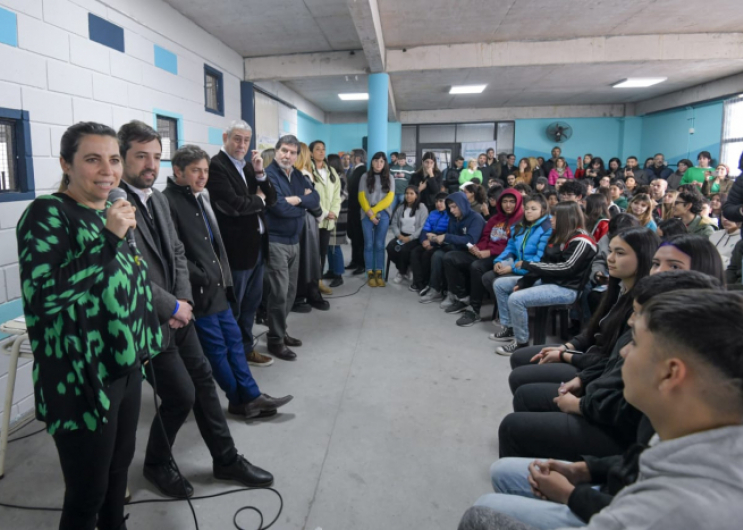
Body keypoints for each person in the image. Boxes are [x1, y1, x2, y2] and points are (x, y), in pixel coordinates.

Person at [465, 272, 729, 530]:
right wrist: (586, 469)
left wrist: (571, 495)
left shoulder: (682, 504)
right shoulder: (683, 427)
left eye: (635, 343)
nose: (625, 351)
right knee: (502, 470)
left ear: (671, 373)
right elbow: (639, 460)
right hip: (611, 487)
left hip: (608, 500)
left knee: (482, 512)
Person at [116, 121, 274, 499]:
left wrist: (183, 301)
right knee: (180, 396)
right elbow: (125, 268)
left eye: (155, 155)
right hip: (148, 321)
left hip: (180, 313)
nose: (150, 163)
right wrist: (171, 305)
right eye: (141, 156)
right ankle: (156, 462)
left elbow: (177, 253)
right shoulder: (114, 204)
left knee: (204, 385)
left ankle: (226, 458)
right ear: (122, 159)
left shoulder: (155, 199)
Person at [16, 122, 161, 529]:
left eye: (113, 159)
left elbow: (129, 287)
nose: (107, 171)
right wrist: (110, 240)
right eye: (92, 159)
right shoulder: (47, 213)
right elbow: (45, 299)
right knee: (87, 493)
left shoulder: (109, 212)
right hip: (81, 377)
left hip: (126, 366)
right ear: (66, 163)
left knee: (118, 476)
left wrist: (148, 341)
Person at [498, 227, 660, 461]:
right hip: (594, 372)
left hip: (599, 385)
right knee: (523, 360)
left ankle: (537, 454)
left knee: (522, 397)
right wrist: (566, 348)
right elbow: (591, 334)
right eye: (611, 251)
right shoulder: (619, 289)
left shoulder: (644, 309)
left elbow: (610, 367)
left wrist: (571, 364)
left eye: (620, 253)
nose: (610, 258)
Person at [163, 145, 293, 417]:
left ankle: (251, 395)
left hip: (218, 284)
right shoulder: (167, 202)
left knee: (234, 339)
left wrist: (219, 275)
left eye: (206, 170)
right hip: (198, 289)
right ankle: (239, 399)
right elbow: (172, 254)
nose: (202, 176)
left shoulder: (203, 196)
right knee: (217, 349)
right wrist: (202, 274)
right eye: (195, 170)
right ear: (178, 171)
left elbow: (214, 242)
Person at [206, 120, 276, 368]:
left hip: (256, 248)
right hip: (235, 251)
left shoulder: (247, 166)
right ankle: (229, 356)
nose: (242, 144)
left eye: (246, 140)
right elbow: (233, 206)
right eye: (237, 138)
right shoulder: (216, 166)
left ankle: (245, 349)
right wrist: (258, 199)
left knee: (251, 304)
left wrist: (259, 173)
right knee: (233, 307)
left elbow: (273, 198)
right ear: (226, 136)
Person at [492, 202, 597, 355]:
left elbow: (567, 268)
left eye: (554, 216)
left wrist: (529, 265)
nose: (551, 219)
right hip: (551, 280)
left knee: (516, 299)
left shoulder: (582, 241)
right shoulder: (559, 236)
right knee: (500, 284)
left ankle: (521, 343)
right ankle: (509, 328)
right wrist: (524, 281)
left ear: (564, 218)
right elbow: (544, 262)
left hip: (567, 288)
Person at [264, 135, 321, 360]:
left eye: (292, 152)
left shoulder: (297, 175)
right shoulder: (269, 176)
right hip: (276, 241)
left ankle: (280, 330)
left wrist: (295, 200)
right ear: (277, 151)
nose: (288, 155)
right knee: (278, 293)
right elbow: (277, 207)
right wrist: (302, 202)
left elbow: (315, 199)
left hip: (294, 240)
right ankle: (275, 340)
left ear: (297, 156)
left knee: (290, 292)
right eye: (284, 150)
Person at [465, 194, 551, 328]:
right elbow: (510, 248)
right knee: (488, 277)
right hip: (517, 265)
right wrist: (499, 261)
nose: (528, 211)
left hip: (533, 271)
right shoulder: (520, 225)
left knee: (496, 281)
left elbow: (539, 259)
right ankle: (509, 313)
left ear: (543, 210)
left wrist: (512, 269)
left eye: (533, 209)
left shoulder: (546, 228)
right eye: (527, 208)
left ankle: (514, 315)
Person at [441, 189, 524, 318]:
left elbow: (513, 246)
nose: (508, 205)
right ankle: (462, 297)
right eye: (505, 201)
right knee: (450, 257)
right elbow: (485, 237)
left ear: (518, 203)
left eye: (512, 202)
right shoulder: (494, 219)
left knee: (477, 266)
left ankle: (475, 309)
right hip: (486, 252)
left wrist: (489, 252)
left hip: (505, 257)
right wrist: (478, 248)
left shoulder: (521, 222)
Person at [419, 191, 486, 303]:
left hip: (473, 252)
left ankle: (454, 293)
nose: (452, 210)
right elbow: (450, 238)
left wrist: (445, 237)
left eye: (454, 207)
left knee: (449, 256)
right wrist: (434, 240)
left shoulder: (475, 218)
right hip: (457, 248)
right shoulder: (454, 218)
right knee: (437, 254)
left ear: (462, 204)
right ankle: (435, 289)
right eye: (450, 208)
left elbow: (470, 240)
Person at [293, 143, 329, 309]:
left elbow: (311, 198)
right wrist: (320, 213)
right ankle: (304, 295)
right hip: (306, 222)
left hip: (307, 221)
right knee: (307, 260)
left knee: (308, 260)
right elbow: (310, 201)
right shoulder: (301, 175)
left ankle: (307, 294)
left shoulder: (302, 175)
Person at [309, 140, 342, 294]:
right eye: (317, 149)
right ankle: (310, 284)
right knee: (311, 254)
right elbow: (309, 196)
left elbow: (337, 195)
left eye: (323, 149)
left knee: (322, 253)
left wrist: (333, 212)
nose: (321, 152)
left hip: (328, 220)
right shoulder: (307, 171)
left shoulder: (332, 172)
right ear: (311, 152)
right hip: (314, 219)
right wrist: (323, 212)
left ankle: (319, 282)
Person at [360, 151, 395, 287]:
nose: (378, 164)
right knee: (368, 245)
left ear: (385, 163)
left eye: (381, 161)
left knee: (380, 245)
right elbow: (361, 197)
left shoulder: (390, 177)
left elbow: (389, 199)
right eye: (376, 161)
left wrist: (374, 212)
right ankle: (370, 272)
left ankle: (379, 272)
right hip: (366, 214)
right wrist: (370, 215)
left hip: (383, 214)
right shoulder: (365, 176)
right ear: (372, 162)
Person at [409, 192, 450, 292]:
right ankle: (418, 283)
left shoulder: (450, 215)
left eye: (441, 201)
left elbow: (447, 234)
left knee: (427, 255)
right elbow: (425, 228)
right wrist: (424, 241)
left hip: (439, 242)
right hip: (428, 239)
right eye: (436, 201)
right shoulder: (433, 213)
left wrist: (432, 243)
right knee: (415, 252)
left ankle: (427, 282)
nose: (438, 204)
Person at [388, 186, 428, 284]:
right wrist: (399, 235)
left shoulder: (422, 207)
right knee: (391, 247)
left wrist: (409, 238)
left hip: (415, 238)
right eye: (407, 193)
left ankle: (401, 272)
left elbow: (423, 227)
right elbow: (394, 223)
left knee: (404, 249)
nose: (408, 196)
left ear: (416, 195)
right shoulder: (401, 207)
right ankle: (404, 268)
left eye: (411, 194)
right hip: (401, 236)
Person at [324, 154, 349, 287]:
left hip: (338, 215)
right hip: (330, 213)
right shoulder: (331, 176)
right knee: (329, 244)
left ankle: (338, 274)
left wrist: (330, 206)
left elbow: (343, 195)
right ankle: (331, 270)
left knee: (335, 245)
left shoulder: (340, 177)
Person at [346, 148, 367, 275]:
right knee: (353, 236)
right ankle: (354, 260)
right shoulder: (353, 170)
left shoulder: (363, 172)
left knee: (360, 237)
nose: (350, 158)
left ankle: (361, 263)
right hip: (352, 209)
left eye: (352, 156)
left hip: (359, 209)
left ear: (358, 158)